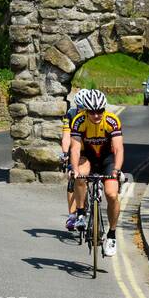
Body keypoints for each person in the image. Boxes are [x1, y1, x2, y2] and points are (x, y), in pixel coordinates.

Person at [68, 89, 125, 257]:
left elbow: (119, 148)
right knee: (80, 176)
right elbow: (76, 149)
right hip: (87, 157)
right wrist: (74, 170)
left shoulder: (111, 120)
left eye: (100, 111)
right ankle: (80, 213)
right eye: (92, 112)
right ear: (86, 110)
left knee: (112, 194)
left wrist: (116, 170)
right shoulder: (79, 121)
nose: (96, 115)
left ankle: (112, 235)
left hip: (108, 158)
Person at [62, 89, 94, 231]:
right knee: (72, 180)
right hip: (77, 150)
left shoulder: (94, 115)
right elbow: (66, 136)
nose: (83, 111)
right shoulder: (70, 115)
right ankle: (72, 215)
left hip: (92, 150)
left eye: (85, 108)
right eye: (80, 108)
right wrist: (64, 153)